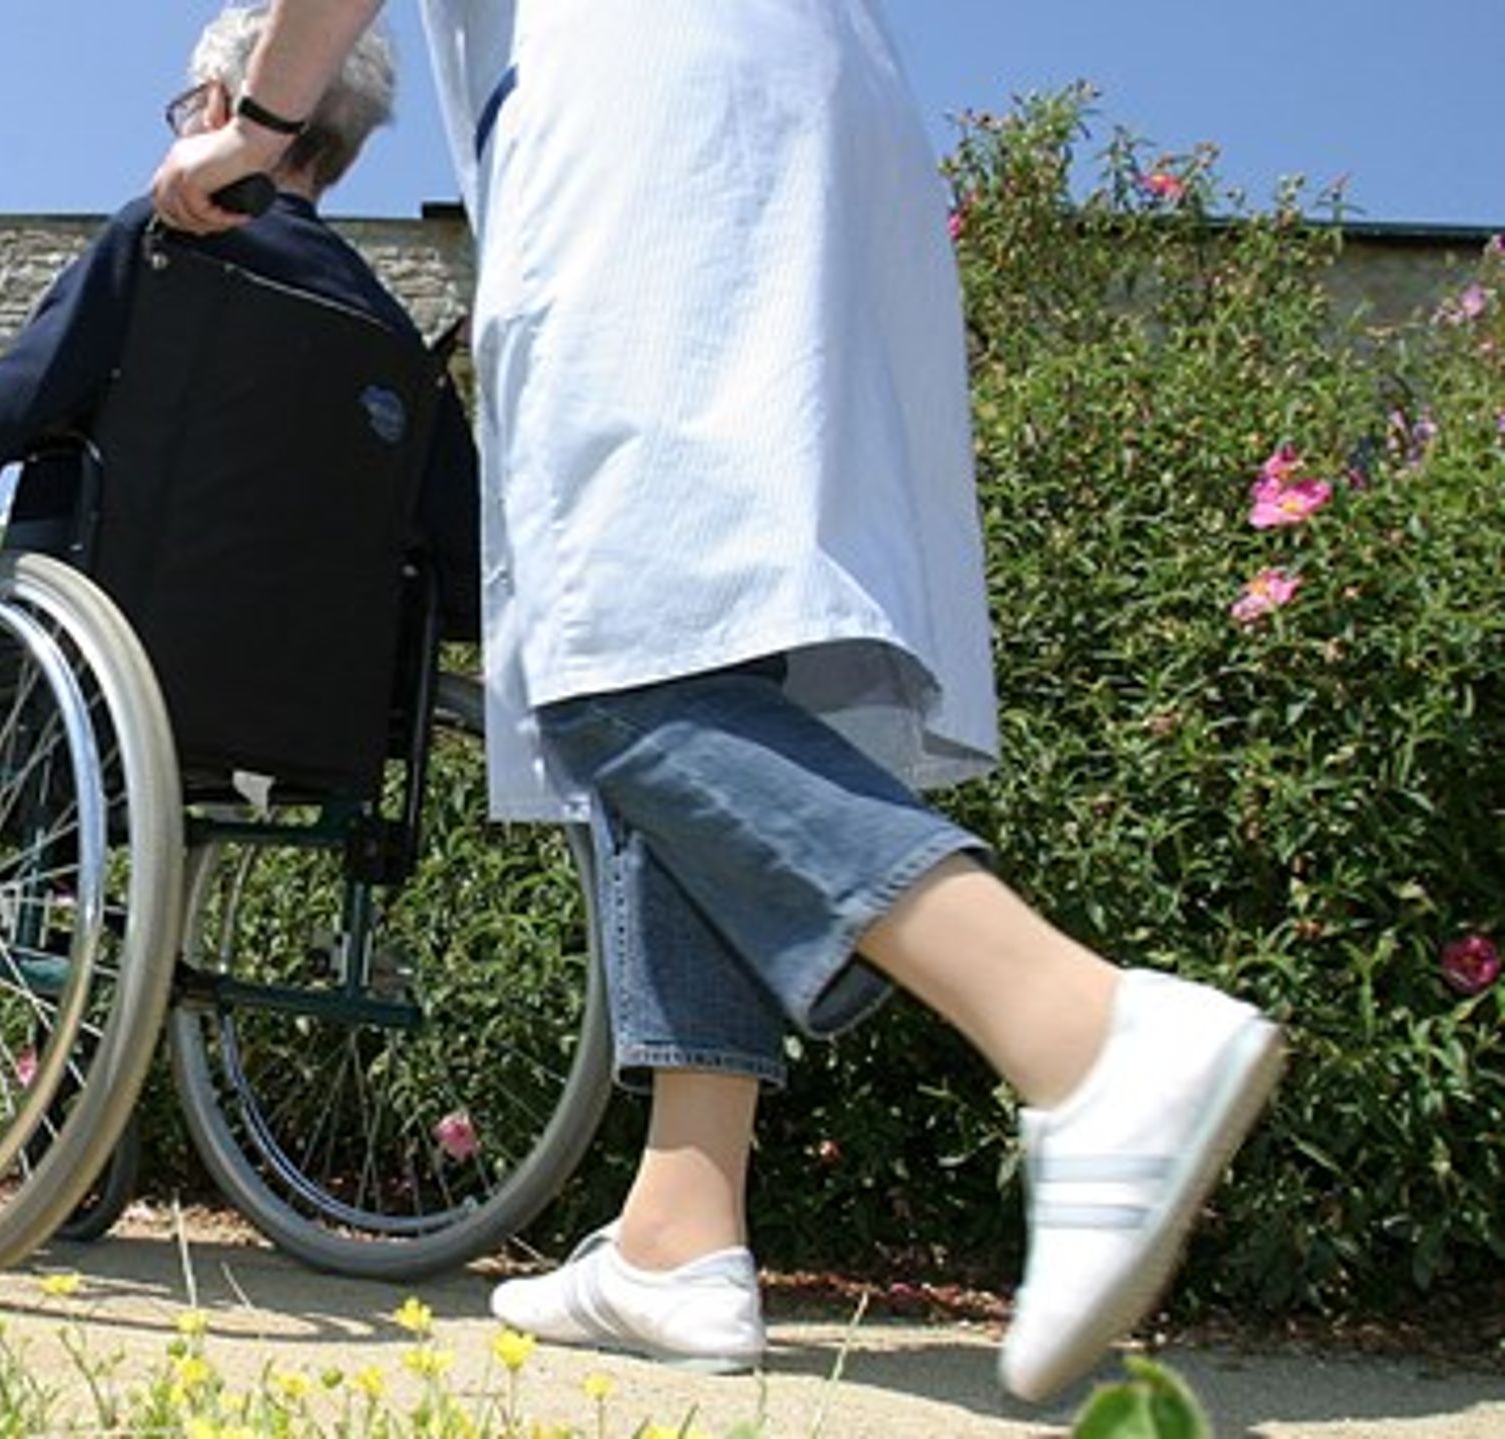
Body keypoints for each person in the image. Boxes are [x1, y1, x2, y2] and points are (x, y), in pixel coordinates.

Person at [147, 0, 1285, 1405]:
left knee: (615, 652)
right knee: (706, 631)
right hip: (807, 89)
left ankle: (1079, 1026)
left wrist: (252, 127)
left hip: (640, 104)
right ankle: (683, 1224)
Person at [0, 5, 477, 1148]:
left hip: (85, 671)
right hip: (299, 718)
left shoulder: (160, 248)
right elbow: (460, 567)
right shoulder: (396, 337)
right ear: (342, 150)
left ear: (221, 110)